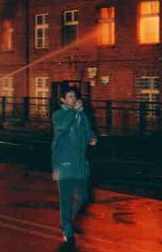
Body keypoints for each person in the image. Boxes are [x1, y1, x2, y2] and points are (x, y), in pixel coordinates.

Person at [51, 87, 97, 244]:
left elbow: (87, 130)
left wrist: (92, 138)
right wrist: (75, 112)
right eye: (69, 96)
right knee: (66, 199)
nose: (73, 99)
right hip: (64, 163)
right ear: (63, 100)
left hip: (80, 164)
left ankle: (68, 219)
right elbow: (62, 128)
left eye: (74, 96)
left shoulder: (80, 114)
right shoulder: (59, 115)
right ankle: (67, 229)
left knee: (84, 196)